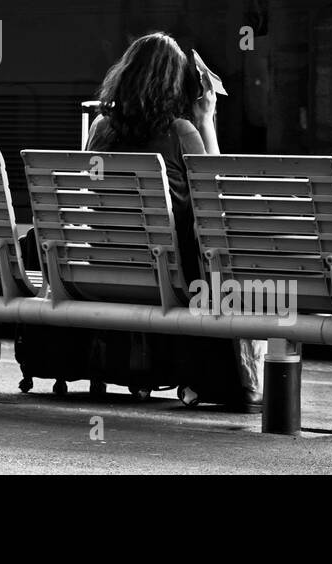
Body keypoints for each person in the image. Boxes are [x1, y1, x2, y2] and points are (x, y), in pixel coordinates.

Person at [86, 31, 266, 412]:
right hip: (171, 273)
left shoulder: (99, 129)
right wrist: (206, 119)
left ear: (126, 74)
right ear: (175, 85)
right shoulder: (181, 132)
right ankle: (232, 383)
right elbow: (215, 193)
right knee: (233, 268)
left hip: (108, 265)